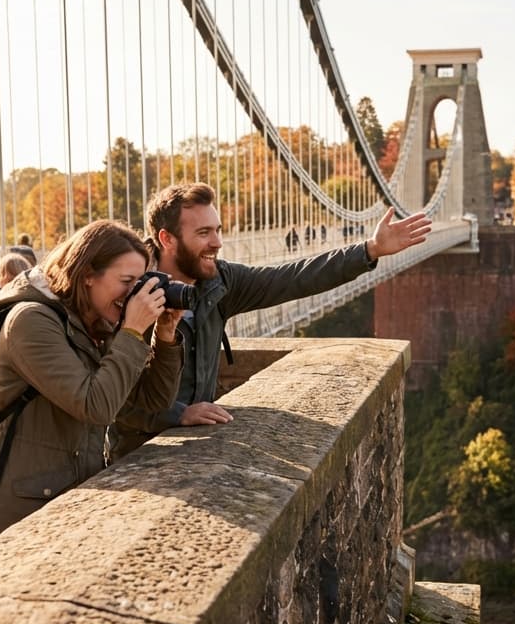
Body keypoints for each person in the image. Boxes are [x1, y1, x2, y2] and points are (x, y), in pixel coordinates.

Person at [111, 182, 431, 455]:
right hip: (138, 456)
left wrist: (369, 250)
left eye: (218, 230)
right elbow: (115, 396)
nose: (218, 242)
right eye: (204, 233)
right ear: (167, 239)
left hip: (199, 445)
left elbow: (292, 278)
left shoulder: (221, 282)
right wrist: (178, 414)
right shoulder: (127, 294)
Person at [0, 219, 184, 555]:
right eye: (126, 282)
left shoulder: (95, 324)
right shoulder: (31, 321)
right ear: (88, 274)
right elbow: (95, 406)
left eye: (140, 282)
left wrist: (164, 336)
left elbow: (152, 400)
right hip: (8, 519)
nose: (134, 294)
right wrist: (132, 331)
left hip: (64, 505)